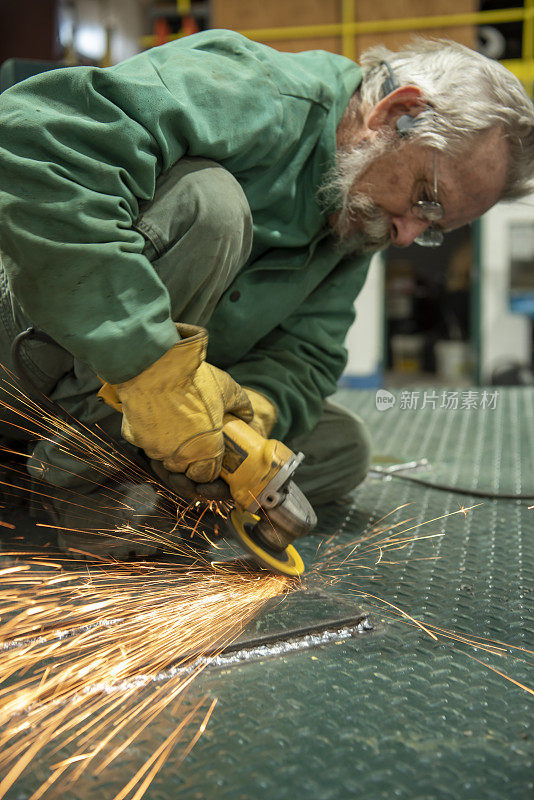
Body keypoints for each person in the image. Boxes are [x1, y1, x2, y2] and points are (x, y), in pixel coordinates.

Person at [0, 30, 532, 555]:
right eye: (428, 200)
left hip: (123, 403)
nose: (409, 234)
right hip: (28, 345)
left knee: (340, 448)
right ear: (395, 115)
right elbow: (34, 145)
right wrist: (151, 367)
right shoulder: (252, 90)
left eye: (434, 228)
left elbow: (307, 356)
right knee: (211, 206)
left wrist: (249, 414)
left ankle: (91, 475)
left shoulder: (360, 212)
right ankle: (82, 477)